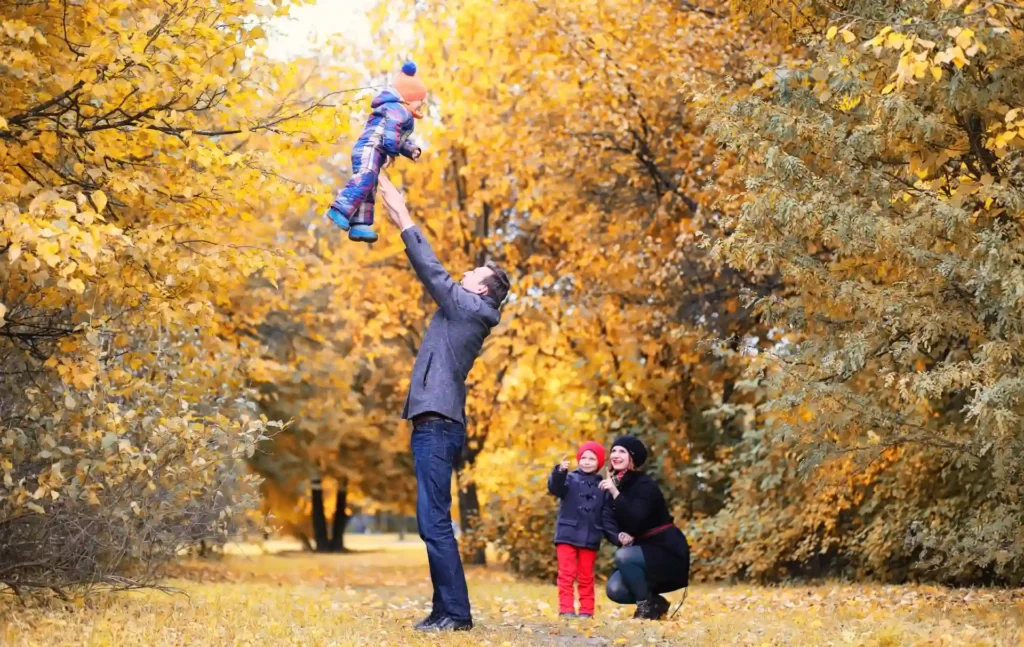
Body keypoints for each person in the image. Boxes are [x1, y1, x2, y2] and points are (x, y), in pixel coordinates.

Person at [377, 174, 511, 633]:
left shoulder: (469, 308)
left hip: (437, 426)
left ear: (481, 289)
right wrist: (384, 186)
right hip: (434, 424)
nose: (465, 273)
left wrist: (402, 210)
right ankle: (443, 610)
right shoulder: (468, 308)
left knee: (433, 521)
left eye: (473, 273)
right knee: (430, 520)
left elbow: (428, 266)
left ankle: (456, 614)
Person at [323, 62, 426, 243]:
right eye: (420, 99)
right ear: (408, 99)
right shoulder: (397, 110)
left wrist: (411, 150)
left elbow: (397, 138)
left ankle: (360, 225)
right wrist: (392, 153)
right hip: (369, 147)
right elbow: (391, 133)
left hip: (375, 150)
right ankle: (340, 208)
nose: (423, 103)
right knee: (365, 178)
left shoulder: (401, 112)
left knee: (369, 187)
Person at [599, 434, 690, 620]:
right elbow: (606, 520)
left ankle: (644, 607)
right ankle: (656, 603)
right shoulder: (613, 484)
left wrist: (615, 493)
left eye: (622, 451)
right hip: (640, 551)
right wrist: (618, 536)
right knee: (615, 589)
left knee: (623, 556)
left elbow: (637, 519)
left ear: (632, 457)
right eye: (614, 451)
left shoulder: (644, 484)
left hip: (666, 550)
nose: (615, 455)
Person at [547, 441, 616, 618]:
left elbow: (608, 513)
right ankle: (566, 609)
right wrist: (559, 472)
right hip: (567, 535)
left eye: (592, 459)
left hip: (590, 536)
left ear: (599, 462)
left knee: (586, 576)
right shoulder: (569, 479)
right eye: (584, 458)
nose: (586, 461)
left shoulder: (602, 485)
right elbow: (555, 487)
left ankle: (587, 610)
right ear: (578, 459)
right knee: (566, 574)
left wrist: (612, 488)